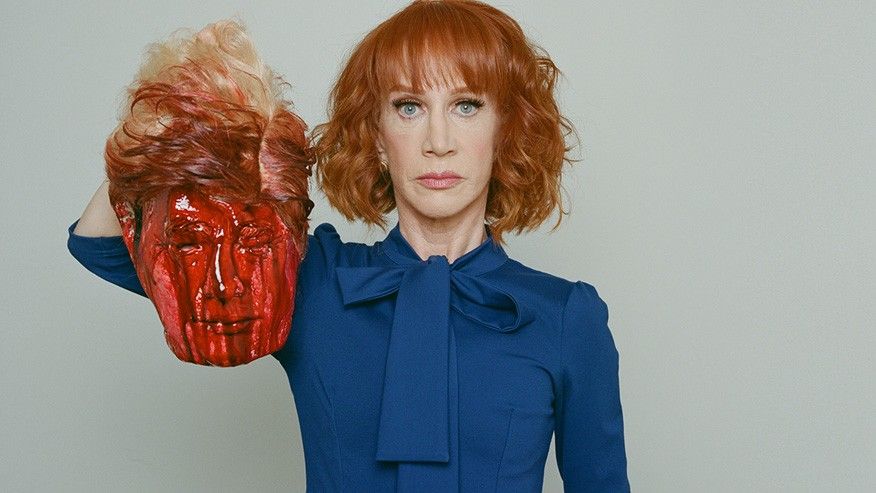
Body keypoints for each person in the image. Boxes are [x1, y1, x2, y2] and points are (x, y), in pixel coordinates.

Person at [68, 1, 630, 491]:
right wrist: (183, 117)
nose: (438, 142)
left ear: (505, 130)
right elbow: (101, 244)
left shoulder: (566, 317)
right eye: (408, 106)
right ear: (378, 137)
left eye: (467, 105)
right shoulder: (310, 281)